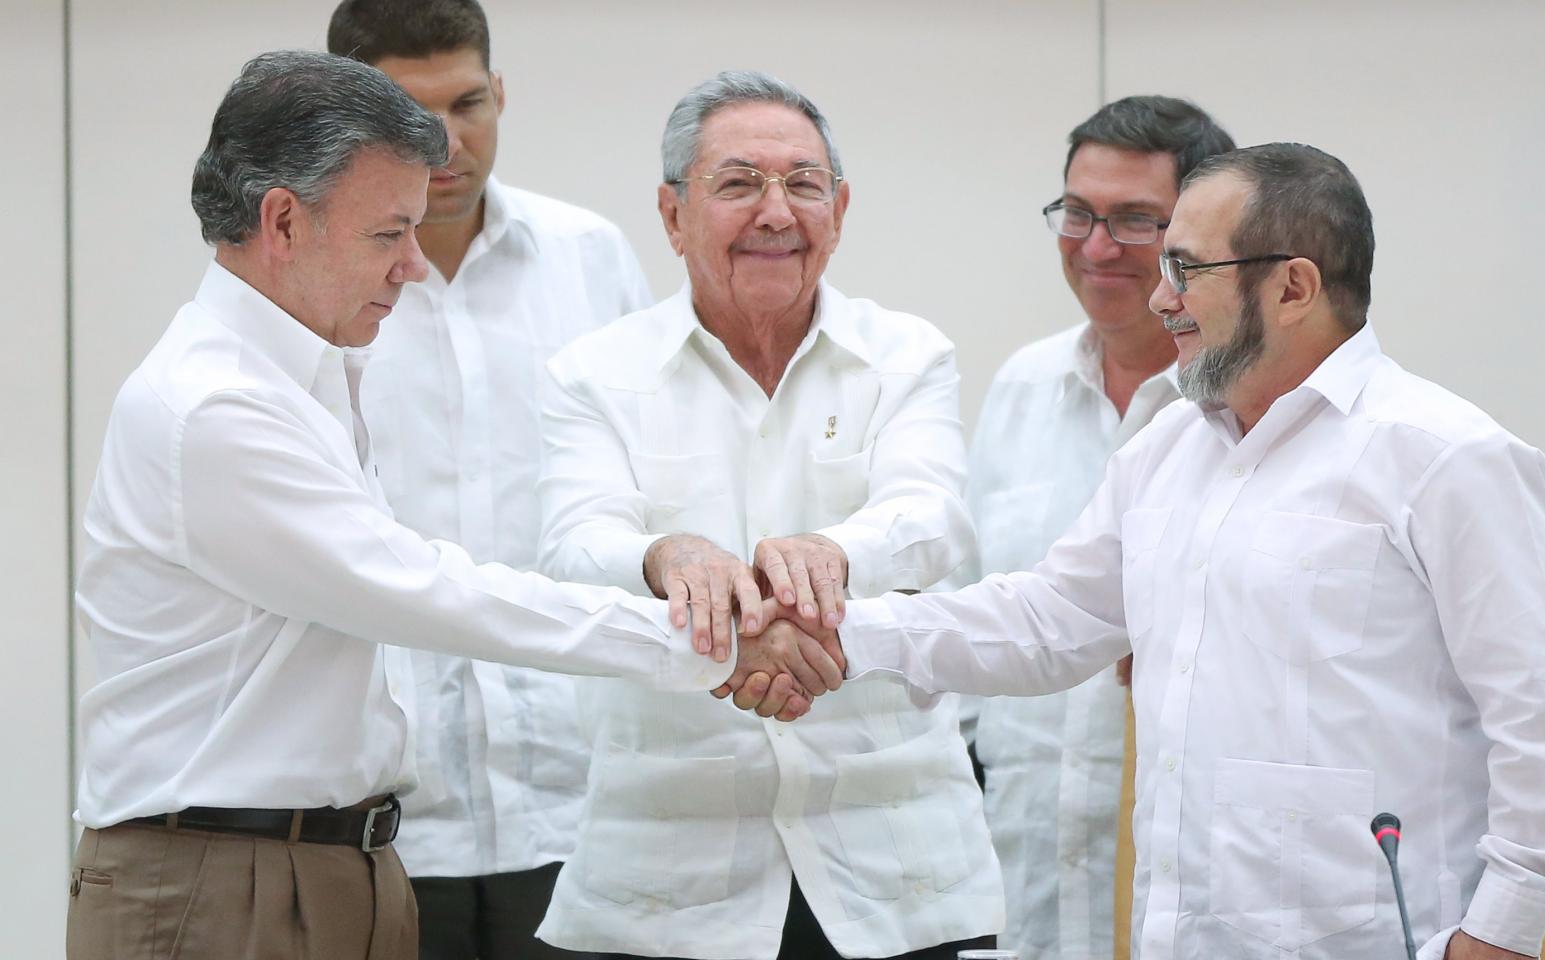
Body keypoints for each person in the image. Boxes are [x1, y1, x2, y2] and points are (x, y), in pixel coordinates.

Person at [66, 51, 829, 960]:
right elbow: (424, 590)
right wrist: (718, 640)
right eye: (390, 234)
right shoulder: (216, 407)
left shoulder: (307, 372)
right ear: (282, 221)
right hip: (225, 880)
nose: (416, 268)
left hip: (332, 860)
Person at [754, 142, 1545, 960]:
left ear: (1294, 287)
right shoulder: (1167, 450)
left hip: (1380, 933)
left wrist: (1506, 926)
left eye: (1187, 270)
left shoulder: (1445, 455)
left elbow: (1544, 712)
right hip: (1185, 931)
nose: (1162, 300)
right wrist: (838, 633)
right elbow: (1047, 620)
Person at [532, 71, 998, 960]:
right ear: (671, 215)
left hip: (895, 861)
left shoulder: (906, 356)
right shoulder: (593, 372)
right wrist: (667, 557)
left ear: (842, 206)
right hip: (669, 872)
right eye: (739, 183)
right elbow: (572, 546)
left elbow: (932, 519)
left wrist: (825, 557)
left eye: (804, 184)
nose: (777, 213)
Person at [326, 3, 654, 957]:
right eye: (406, 114)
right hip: (385, 806)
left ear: (500, 91)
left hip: (579, 793)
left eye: (469, 103)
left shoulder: (590, 257)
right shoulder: (312, 284)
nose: (446, 142)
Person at [956, 95, 1230, 960]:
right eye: (1077, 213)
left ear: (1198, 234)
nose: (1097, 247)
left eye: (1135, 221)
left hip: (1195, 887)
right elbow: (980, 616)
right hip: (1019, 881)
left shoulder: (1253, 408)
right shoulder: (1023, 386)